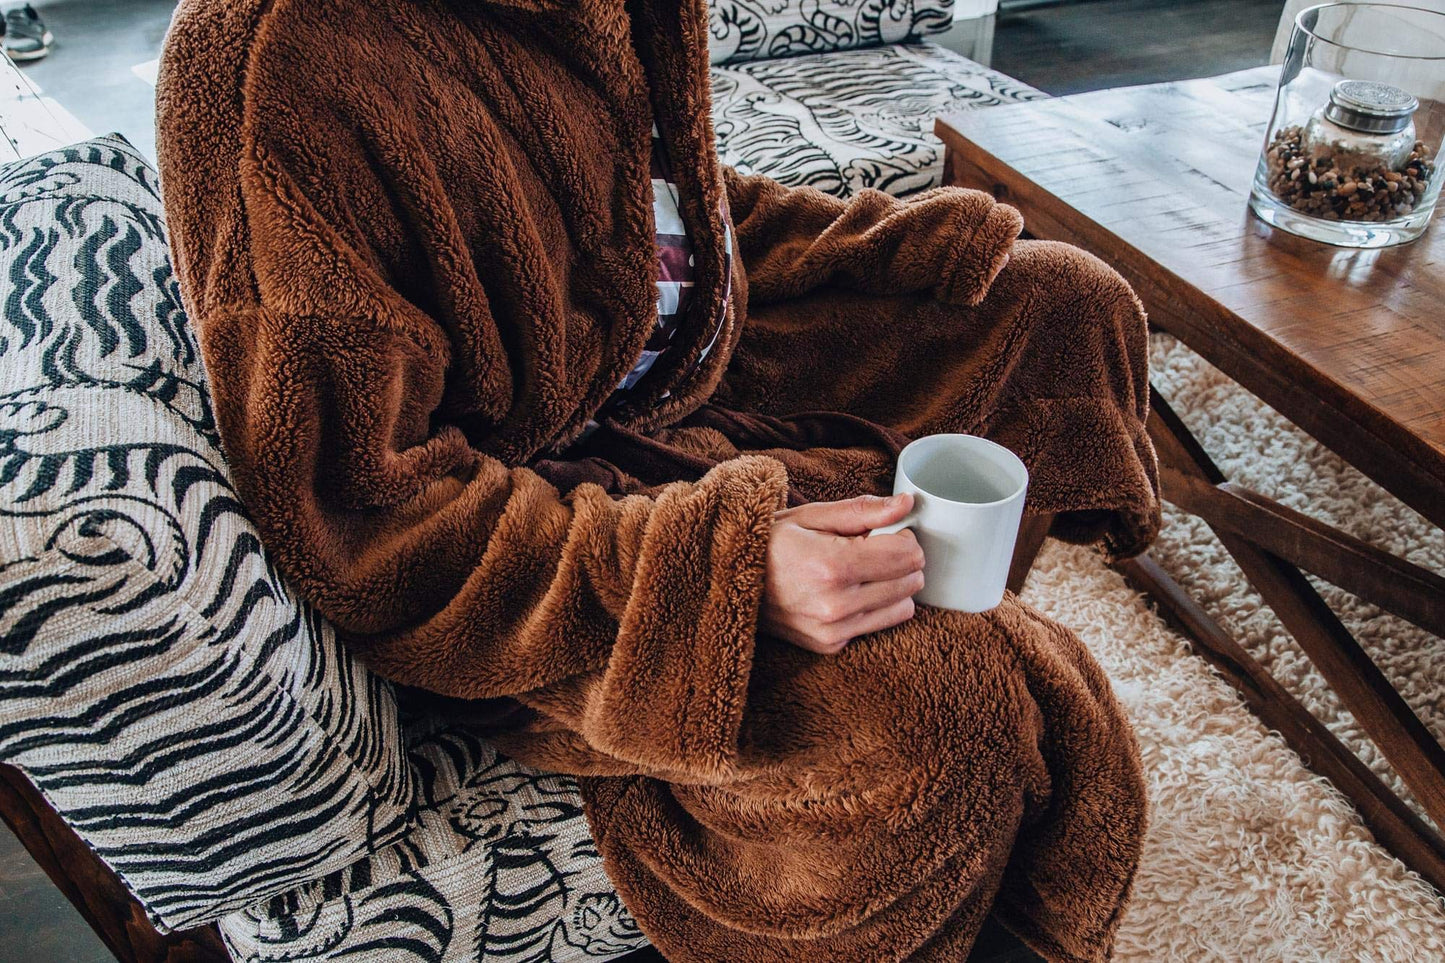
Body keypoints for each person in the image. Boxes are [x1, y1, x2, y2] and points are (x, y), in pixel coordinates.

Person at [156, 0, 1160, 959]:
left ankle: (935, 674)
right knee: (939, 693)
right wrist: (719, 578)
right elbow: (367, 530)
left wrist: (884, 246)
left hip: (659, 382)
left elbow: (656, 215)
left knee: (1061, 305)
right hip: (527, 549)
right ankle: (911, 808)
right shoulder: (278, 63)